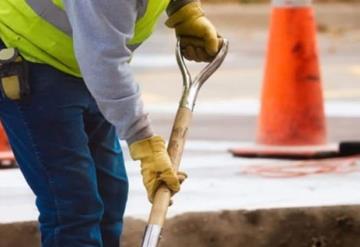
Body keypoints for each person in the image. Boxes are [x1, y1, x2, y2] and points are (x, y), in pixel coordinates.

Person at [0, 0, 221, 246]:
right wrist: (144, 143)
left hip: (84, 58)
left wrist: (184, 10)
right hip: (29, 52)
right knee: (72, 206)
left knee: (109, 195)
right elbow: (104, 62)